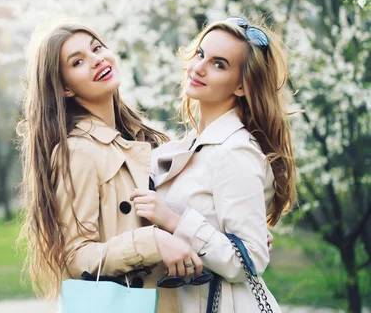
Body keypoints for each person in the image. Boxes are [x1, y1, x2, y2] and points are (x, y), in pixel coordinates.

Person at [17, 22, 204, 312]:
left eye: (97, 48)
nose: (96, 60)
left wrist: (225, 230)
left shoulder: (135, 140)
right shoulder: (78, 150)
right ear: (65, 87)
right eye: (78, 61)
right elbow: (74, 255)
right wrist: (150, 242)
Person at [130, 17, 297, 312]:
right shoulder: (194, 145)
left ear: (243, 86)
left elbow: (250, 261)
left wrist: (172, 220)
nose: (199, 67)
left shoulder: (235, 152)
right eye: (200, 54)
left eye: (219, 64)